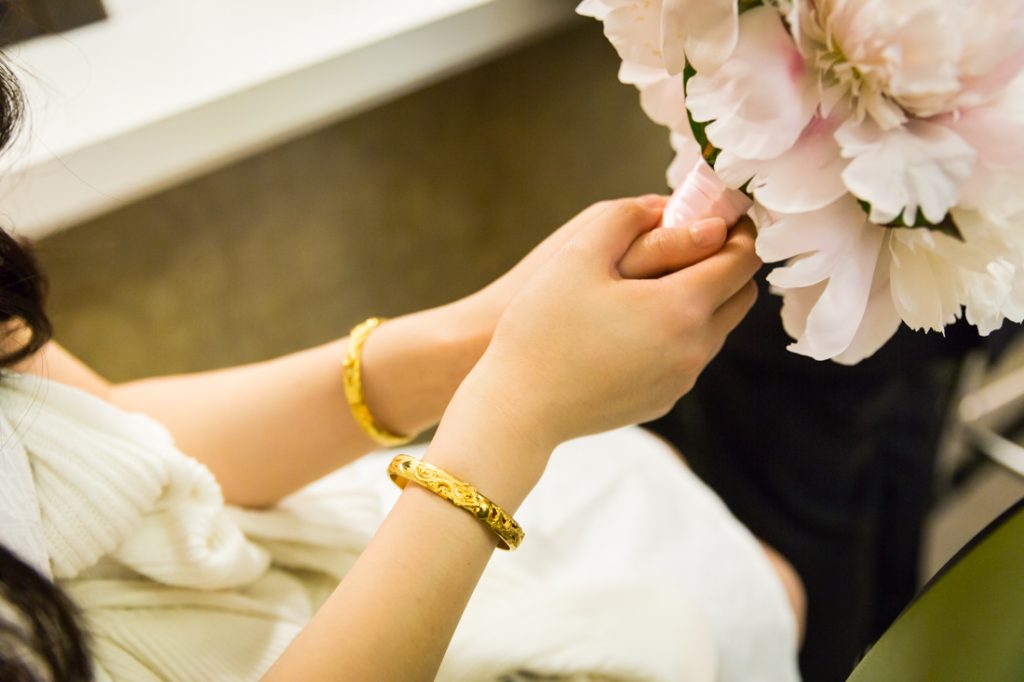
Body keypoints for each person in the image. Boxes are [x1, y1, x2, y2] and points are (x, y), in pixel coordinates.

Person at [0, 31, 802, 682]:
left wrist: (480, 333)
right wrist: (515, 411)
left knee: (692, 520)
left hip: (229, 568)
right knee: (757, 588)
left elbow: (108, 437)